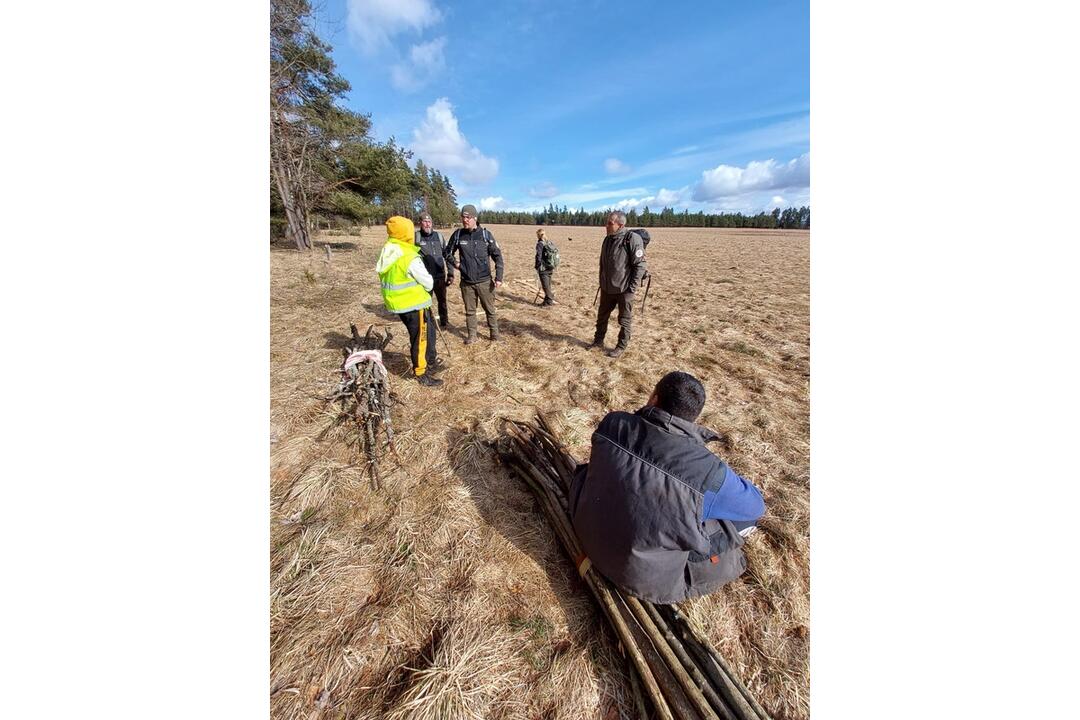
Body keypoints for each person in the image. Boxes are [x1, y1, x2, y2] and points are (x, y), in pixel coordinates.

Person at [567, 371, 765, 604]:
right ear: (694, 416)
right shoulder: (707, 472)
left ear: (653, 398)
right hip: (639, 576)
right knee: (743, 521)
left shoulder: (613, 422)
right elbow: (755, 507)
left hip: (584, 526)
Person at [375, 216, 444, 387]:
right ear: (405, 232)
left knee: (425, 335)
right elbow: (428, 282)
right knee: (420, 339)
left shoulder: (389, 250)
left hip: (398, 304)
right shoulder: (408, 257)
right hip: (413, 304)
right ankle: (421, 373)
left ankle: (429, 361)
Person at [443, 204, 504, 344]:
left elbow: (498, 256)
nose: (465, 220)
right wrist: (457, 264)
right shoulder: (458, 235)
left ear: (475, 218)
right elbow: (447, 252)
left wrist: (499, 277)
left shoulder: (485, 235)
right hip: (467, 283)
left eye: (468, 217)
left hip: (485, 282)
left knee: (490, 310)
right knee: (470, 311)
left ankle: (494, 335)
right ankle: (472, 336)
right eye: (463, 217)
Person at [590, 211, 647, 359]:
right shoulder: (607, 239)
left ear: (620, 225)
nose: (606, 225)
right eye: (607, 222)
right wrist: (603, 282)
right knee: (602, 316)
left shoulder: (632, 239)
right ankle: (598, 341)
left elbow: (640, 265)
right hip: (607, 287)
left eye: (610, 223)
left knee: (624, 320)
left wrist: (631, 288)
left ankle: (621, 346)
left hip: (624, 289)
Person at [414, 212, 452, 328]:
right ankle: (427, 323)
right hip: (424, 278)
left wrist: (450, 273)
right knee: (425, 303)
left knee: (442, 301)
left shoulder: (439, 237)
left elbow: (447, 254)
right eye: (424, 222)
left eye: (429, 222)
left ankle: (444, 322)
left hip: (440, 276)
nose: (427, 224)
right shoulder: (416, 238)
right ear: (420, 223)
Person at [533, 228, 557, 306]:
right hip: (550, 266)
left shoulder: (540, 243)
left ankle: (549, 300)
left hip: (543, 268)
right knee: (548, 285)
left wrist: (537, 266)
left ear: (538, 235)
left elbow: (538, 256)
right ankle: (546, 301)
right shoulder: (549, 242)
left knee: (545, 286)